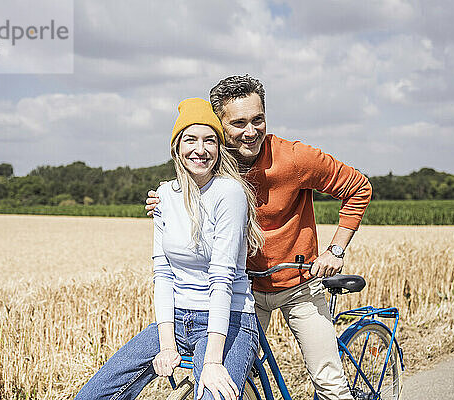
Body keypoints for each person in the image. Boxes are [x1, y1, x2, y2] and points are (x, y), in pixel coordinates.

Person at [146, 76, 372, 400]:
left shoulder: (295, 158)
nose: (250, 131)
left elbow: (358, 187)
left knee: (329, 384)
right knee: (229, 374)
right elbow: (184, 188)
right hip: (247, 292)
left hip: (300, 285)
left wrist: (335, 249)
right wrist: (164, 200)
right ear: (219, 125)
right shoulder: (213, 165)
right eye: (238, 123)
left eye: (258, 119)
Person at [76, 98, 264, 400]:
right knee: (92, 395)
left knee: (213, 394)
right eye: (190, 139)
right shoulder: (164, 195)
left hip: (228, 319)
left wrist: (213, 362)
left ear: (219, 149)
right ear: (177, 147)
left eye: (210, 141)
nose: (200, 150)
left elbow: (221, 279)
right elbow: (162, 274)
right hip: (176, 319)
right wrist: (166, 345)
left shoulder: (228, 193)